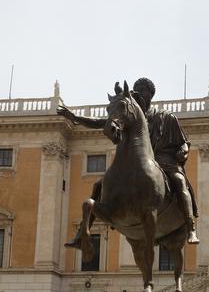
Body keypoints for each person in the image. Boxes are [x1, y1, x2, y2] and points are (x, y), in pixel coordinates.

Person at [58, 77, 199, 246]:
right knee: (98, 186)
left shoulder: (167, 117)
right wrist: (74, 117)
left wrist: (183, 150)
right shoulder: (128, 116)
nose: (137, 94)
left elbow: (184, 142)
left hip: (165, 162)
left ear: (150, 95)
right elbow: (101, 122)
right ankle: (82, 234)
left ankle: (191, 228)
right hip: (138, 163)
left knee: (179, 182)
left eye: (142, 91)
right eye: (135, 90)